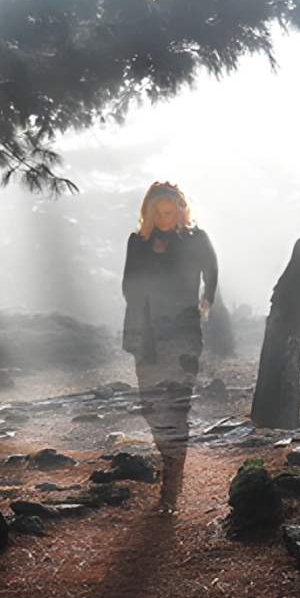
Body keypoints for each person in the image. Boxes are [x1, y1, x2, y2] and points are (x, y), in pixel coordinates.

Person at [121, 181, 217, 513]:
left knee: (176, 407)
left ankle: (170, 491)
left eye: (169, 211)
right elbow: (129, 284)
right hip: (146, 336)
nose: (163, 217)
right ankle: (169, 465)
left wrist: (205, 302)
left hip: (184, 334)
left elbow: (212, 269)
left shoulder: (195, 239)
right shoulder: (138, 242)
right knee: (152, 409)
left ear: (180, 209)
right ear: (148, 213)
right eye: (157, 212)